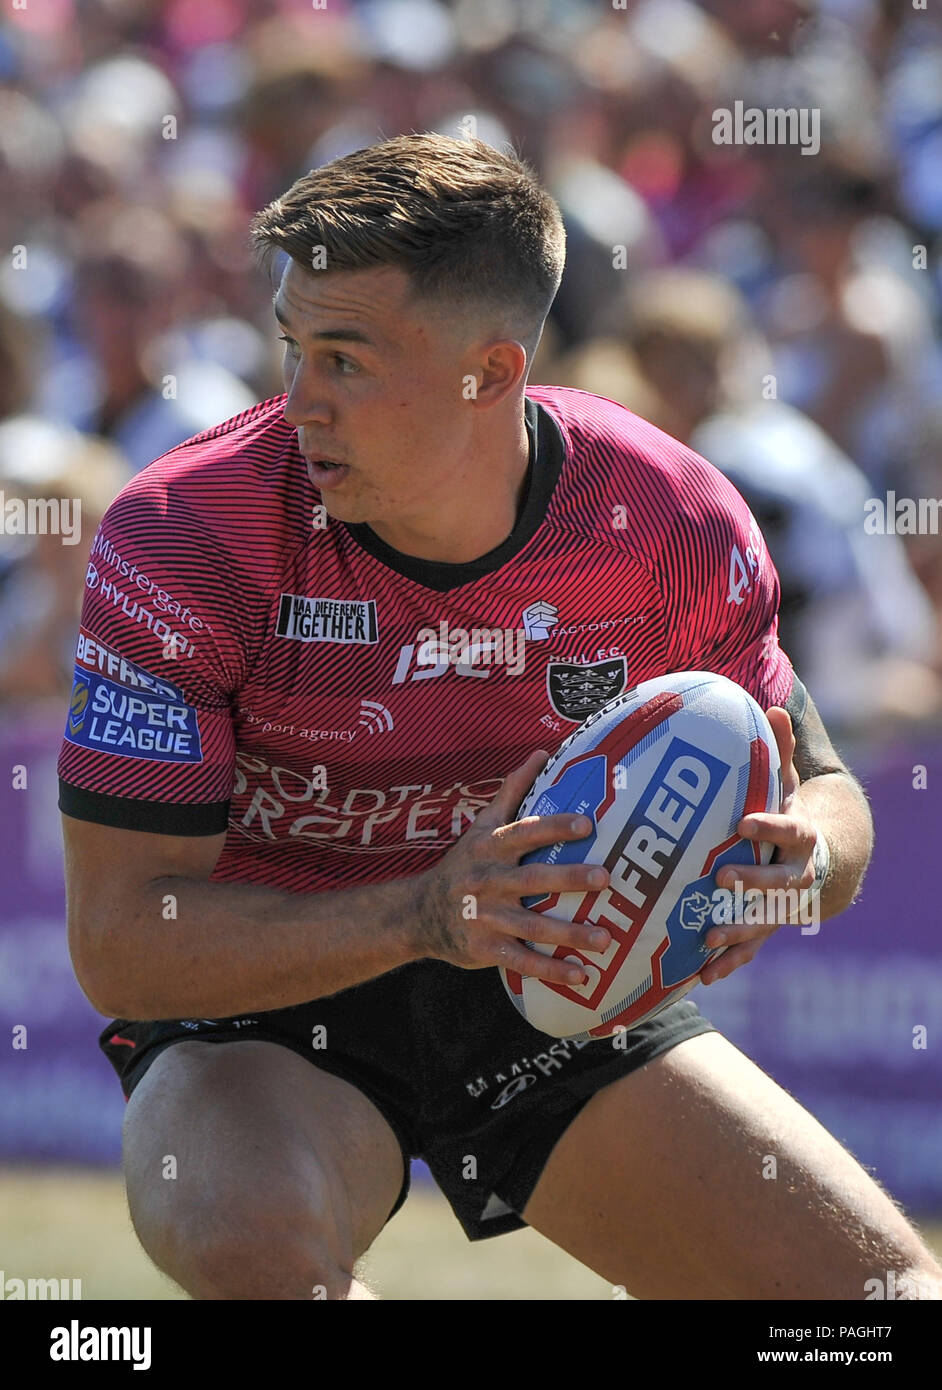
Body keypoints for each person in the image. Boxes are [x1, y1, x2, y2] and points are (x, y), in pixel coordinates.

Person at [58, 134, 942, 1301]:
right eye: (290, 346)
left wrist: (801, 861)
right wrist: (427, 911)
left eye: (345, 359)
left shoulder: (666, 516)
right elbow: (122, 942)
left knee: (880, 1307)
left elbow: (823, 786)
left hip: (559, 975)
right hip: (265, 1004)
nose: (297, 400)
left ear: (491, 368)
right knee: (246, 1240)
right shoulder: (182, 536)